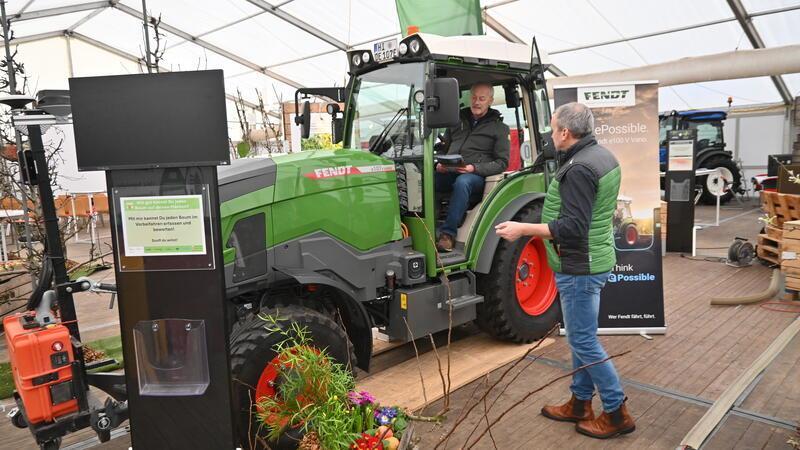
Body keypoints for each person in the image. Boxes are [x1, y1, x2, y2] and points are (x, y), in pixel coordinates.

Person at [494, 102, 635, 439]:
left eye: (553, 127)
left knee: (583, 340)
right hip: (590, 260)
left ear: (565, 133)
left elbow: (572, 227)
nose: (550, 133)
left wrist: (521, 229)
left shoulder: (580, 169)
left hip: (579, 266)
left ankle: (616, 412)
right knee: (581, 336)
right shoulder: (603, 157)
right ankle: (580, 403)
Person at [435, 82, 509, 252]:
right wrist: (440, 164)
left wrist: (473, 168)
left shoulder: (499, 128)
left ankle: (448, 235)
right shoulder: (456, 122)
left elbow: (501, 163)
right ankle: (426, 224)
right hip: (450, 170)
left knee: (463, 182)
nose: (476, 102)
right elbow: (444, 149)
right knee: (425, 179)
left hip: (476, 177)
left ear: (490, 100)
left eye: (481, 99)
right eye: (474, 98)